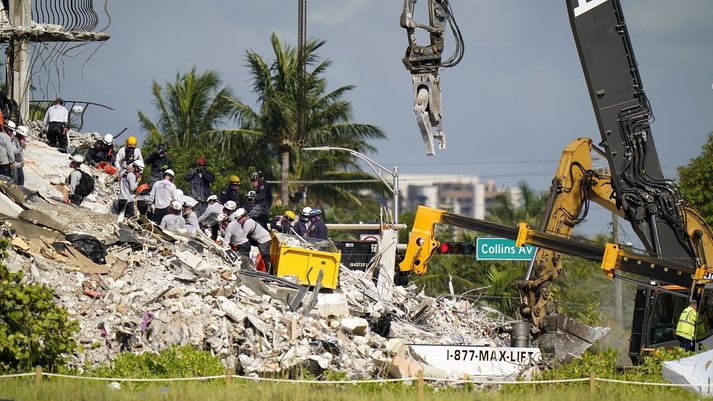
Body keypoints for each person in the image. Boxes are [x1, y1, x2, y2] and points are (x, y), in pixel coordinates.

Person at [234, 207, 273, 274]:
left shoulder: (248, 223)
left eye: (239, 219)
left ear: (244, 216)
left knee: (265, 257)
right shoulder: (246, 222)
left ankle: (271, 274)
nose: (239, 221)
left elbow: (243, 236)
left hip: (264, 240)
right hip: (259, 240)